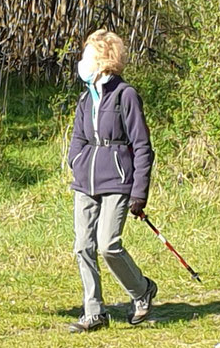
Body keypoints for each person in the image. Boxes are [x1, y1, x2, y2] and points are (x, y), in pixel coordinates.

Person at [67, 29, 156, 332]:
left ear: (104, 59)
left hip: (117, 182)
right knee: (83, 246)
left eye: (88, 54)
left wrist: (139, 192)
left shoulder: (125, 95)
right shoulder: (85, 97)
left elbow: (142, 146)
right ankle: (94, 312)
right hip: (85, 182)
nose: (82, 60)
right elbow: (78, 137)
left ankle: (142, 291)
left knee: (108, 245)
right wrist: (75, 162)